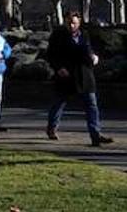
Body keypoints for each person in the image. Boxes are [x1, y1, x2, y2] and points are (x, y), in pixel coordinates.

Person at [45, 13, 114, 146]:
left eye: (74, 23)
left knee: (91, 105)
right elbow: (51, 54)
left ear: (79, 23)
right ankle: (52, 127)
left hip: (84, 74)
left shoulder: (84, 35)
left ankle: (95, 134)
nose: (71, 25)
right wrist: (58, 68)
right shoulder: (58, 36)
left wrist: (94, 57)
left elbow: (88, 50)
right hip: (66, 75)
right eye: (69, 23)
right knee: (59, 102)